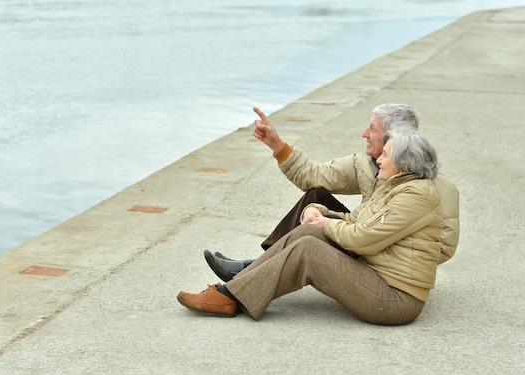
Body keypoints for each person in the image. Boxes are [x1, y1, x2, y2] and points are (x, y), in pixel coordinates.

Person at [177, 129, 444, 325]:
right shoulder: (396, 186)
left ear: (403, 163)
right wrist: (319, 214)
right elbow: (357, 220)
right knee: (308, 231)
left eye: (385, 155)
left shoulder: (415, 196)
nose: (378, 160)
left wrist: (326, 223)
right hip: (378, 276)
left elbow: (363, 238)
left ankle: (230, 298)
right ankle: (236, 287)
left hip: (396, 299)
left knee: (308, 249)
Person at [204, 105, 459, 281]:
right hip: (363, 233)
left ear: (394, 136)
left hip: (385, 254)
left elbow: (443, 247)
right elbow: (312, 176)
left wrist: (388, 250)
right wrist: (277, 145)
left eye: (372, 128)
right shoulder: (365, 163)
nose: (364, 133)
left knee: (322, 221)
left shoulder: (433, 186)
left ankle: (255, 273)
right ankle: (260, 268)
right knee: (315, 197)